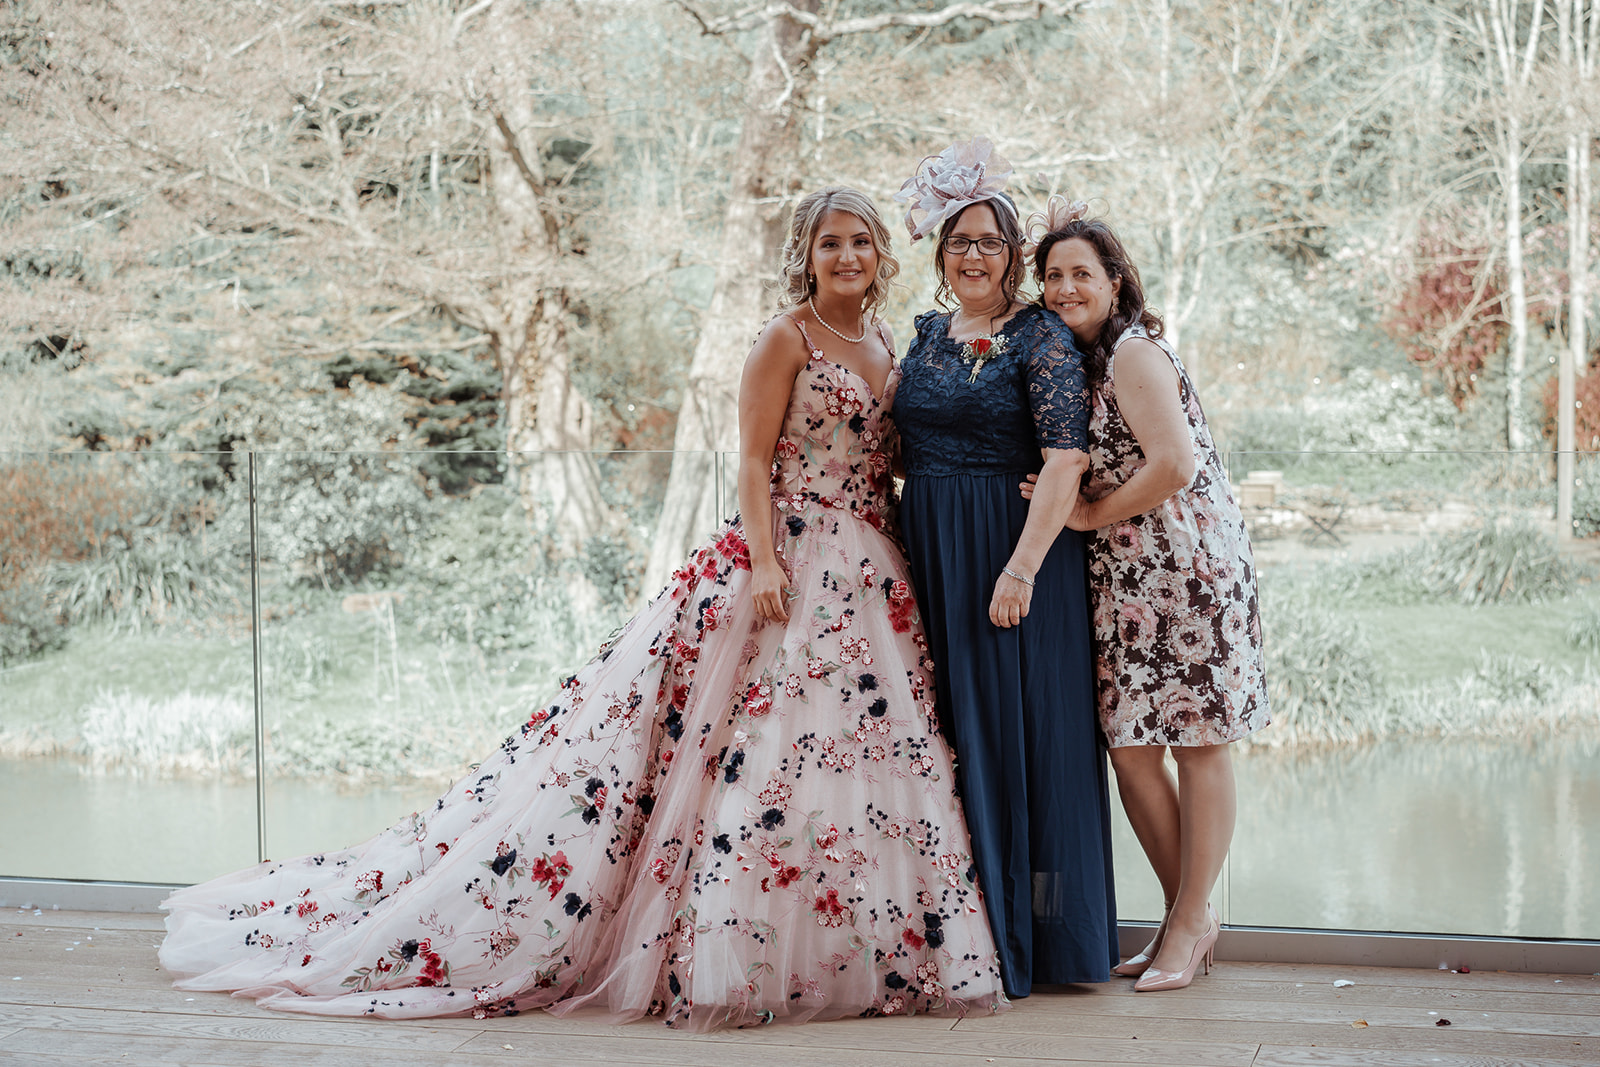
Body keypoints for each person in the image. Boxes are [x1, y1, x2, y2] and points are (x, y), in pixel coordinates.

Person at [158, 186, 1007, 1029]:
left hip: (868, 567)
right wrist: (761, 562)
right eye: (831, 244)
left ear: (882, 253)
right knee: (742, 751)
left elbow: (888, 456)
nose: (848, 257)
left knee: (852, 756)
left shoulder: (888, 338)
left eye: (861, 242)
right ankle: (727, 955)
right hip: (781, 559)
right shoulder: (783, 339)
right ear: (805, 254)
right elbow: (750, 463)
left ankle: (850, 946)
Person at [890, 139, 1118, 998]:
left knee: (1029, 742)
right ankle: (968, 928)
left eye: (989, 241)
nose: (974, 255)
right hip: (933, 554)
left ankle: (1047, 935)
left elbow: (1064, 461)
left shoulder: (1040, 335)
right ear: (940, 255)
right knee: (954, 735)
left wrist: (1020, 570)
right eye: (959, 242)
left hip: (1015, 563)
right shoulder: (925, 334)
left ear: (1013, 252)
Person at [1025, 198, 1270, 992]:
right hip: (1126, 577)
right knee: (1131, 749)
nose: (1065, 288)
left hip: (1187, 568)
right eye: (1053, 275)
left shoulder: (1135, 352)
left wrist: (1088, 509)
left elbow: (1174, 464)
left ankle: (1191, 919)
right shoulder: (1083, 362)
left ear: (1115, 279)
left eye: (1081, 273)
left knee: (1198, 742)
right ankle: (1187, 915)